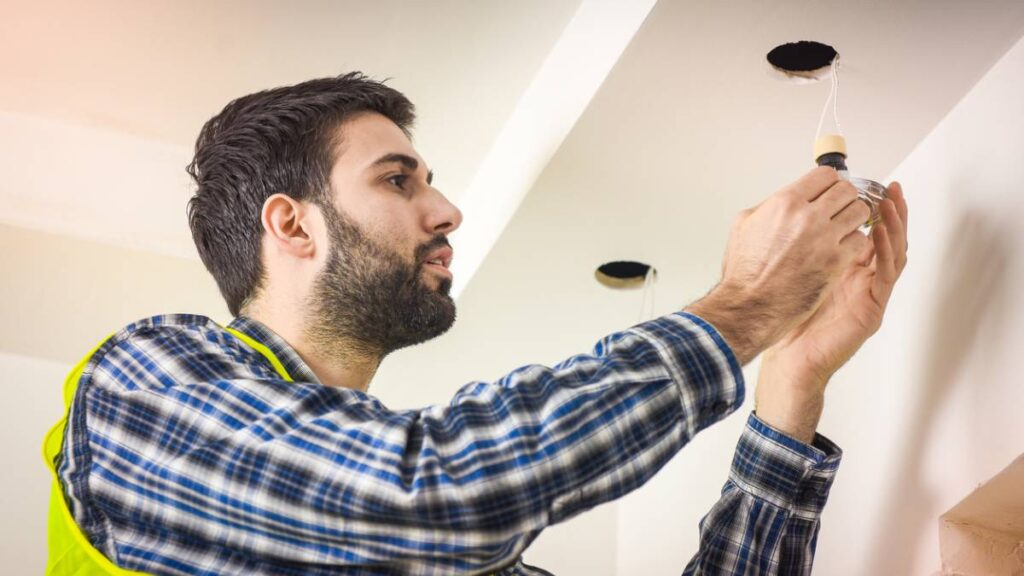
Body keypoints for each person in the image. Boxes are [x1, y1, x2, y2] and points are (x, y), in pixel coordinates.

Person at [45, 73, 908, 575]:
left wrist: (791, 380)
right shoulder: (141, 386)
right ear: (293, 224)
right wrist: (744, 306)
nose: (449, 210)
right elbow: (431, 493)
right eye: (398, 180)